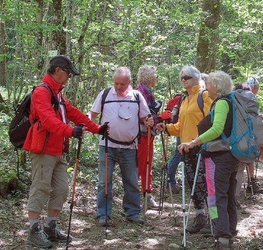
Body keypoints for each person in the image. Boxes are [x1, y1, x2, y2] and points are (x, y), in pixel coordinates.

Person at [23, 55, 108, 248]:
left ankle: (50, 227)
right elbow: (47, 120)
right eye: (68, 73)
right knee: (40, 187)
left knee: (61, 189)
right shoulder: (41, 92)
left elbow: (74, 113)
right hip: (43, 148)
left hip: (58, 149)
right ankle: (34, 230)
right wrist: (71, 131)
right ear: (58, 71)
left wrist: (97, 128)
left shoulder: (58, 93)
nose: (69, 77)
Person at [179, 71, 239, 249]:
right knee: (227, 195)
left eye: (210, 84)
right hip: (230, 155)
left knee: (216, 196)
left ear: (218, 87)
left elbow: (217, 129)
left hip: (219, 157)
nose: (207, 86)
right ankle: (228, 230)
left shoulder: (221, 103)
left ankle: (221, 236)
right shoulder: (230, 101)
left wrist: (194, 142)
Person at [89, 67, 154, 227]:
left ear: (129, 82)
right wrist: (87, 124)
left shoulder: (137, 96)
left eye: (122, 84)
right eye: (116, 83)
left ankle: (133, 212)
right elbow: (92, 114)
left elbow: (145, 117)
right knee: (105, 181)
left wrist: (149, 122)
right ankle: (103, 214)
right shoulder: (105, 94)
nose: (118, 87)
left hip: (130, 147)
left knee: (131, 181)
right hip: (107, 145)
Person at [156, 65, 213, 234]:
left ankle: (215, 220)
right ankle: (200, 218)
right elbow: (181, 127)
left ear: (197, 78)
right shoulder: (184, 100)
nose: (183, 80)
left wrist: (199, 141)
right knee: (194, 186)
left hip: (203, 148)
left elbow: (213, 121)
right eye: (181, 77)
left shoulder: (204, 96)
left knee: (208, 187)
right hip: (187, 150)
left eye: (186, 77)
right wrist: (166, 128)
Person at [234, 77, 263, 200]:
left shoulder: (236, 98)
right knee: (246, 160)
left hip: (238, 135)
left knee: (243, 161)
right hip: (247, 135)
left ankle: (244, 187)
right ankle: (248, 184)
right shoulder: (249, 98)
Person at [136, 65, 161, 209]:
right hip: (142, 134)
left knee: (147, 164)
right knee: (141, 165)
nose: (156, 79)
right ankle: (136, 197)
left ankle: (147, 194)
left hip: (148, 134)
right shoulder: (140, 92)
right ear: (150, 78)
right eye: (155, 76)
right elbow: (142, 115)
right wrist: (156, 118)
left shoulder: (147, 92)